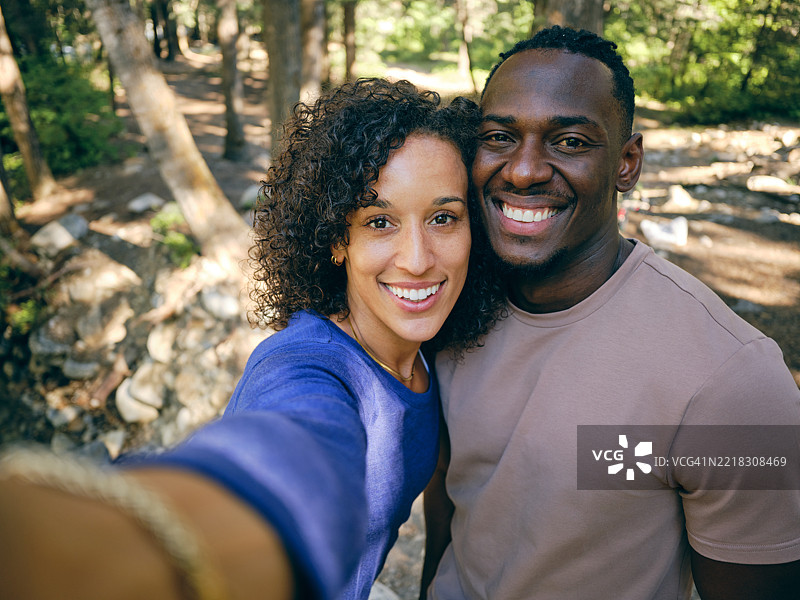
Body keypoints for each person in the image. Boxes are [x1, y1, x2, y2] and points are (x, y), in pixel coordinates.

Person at [0, 78, 503, 600]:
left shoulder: (433, 354)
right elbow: (288, 448)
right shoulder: (303, 365)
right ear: (337, 240)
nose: (418, 259)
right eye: (380, 222)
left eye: (443, 218)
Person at [421, 26, 800, 600]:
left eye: (570, 141)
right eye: (498, 136)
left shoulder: (735, 378)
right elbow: (450, 501)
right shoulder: (448, 302)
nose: (523, 170)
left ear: (627, 163)